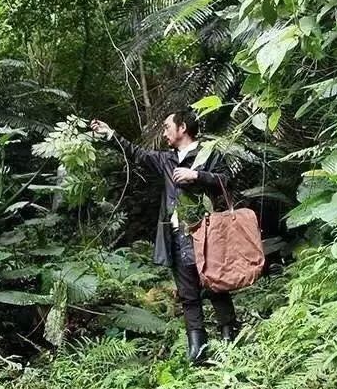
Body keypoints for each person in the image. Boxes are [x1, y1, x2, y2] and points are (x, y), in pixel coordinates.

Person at [91, 111, 239, 363]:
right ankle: (198, 349)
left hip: (206, 232)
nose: (164, 132)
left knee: (215, 285)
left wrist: (198, 175)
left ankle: (229, 337)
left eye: (167, 127)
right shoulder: (166, 159)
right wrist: (110, 135)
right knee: (188, 292)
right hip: (176, 235)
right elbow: (136, 153)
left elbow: (227, 180)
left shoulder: (208, 153)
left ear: (182, 127)